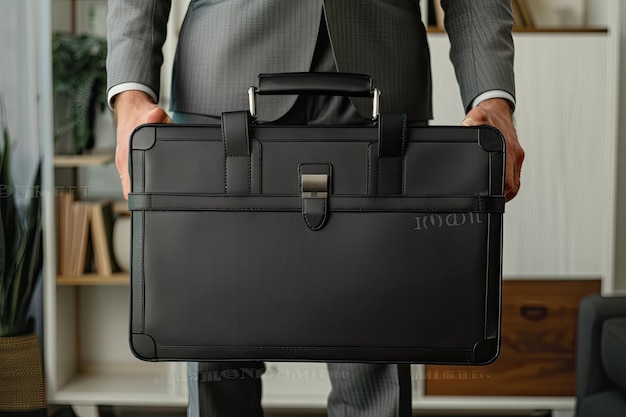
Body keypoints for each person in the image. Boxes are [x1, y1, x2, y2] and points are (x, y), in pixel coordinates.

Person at [106, 1, 525, 416]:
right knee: (216, 342)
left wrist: (493, 98)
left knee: (380, 333)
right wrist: (130, 95)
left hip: (382, 86)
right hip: (222, 85)